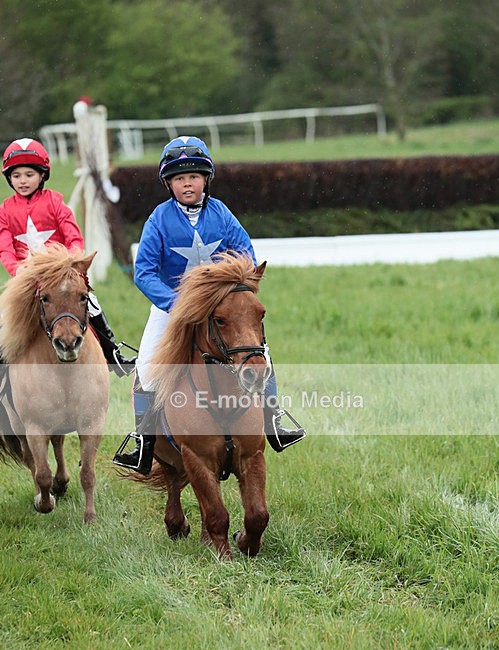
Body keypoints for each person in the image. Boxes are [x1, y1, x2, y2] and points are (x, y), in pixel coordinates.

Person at [113, 135, 305, 474]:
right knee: (145, 368)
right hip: (171, 308)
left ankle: (274, 419)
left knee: (262, 356)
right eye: (179, 178)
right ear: (168, 183)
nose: (187, 183)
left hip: (222, 308)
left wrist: (233, 292)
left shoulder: (222, 214)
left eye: (194, 177)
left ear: (206, 180)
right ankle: (143, 439)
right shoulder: (159, 219)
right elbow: (144, 272)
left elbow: (247, 256)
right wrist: (176, 304)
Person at [0, 138, 135, 375]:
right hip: (27, 282)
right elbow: (5, 250)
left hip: (62, 277)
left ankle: (112, 352)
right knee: (4, 321)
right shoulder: (5, 210)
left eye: (29, 174)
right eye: (17, 175)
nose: (23, 181)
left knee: (92, 304)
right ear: (9, 178)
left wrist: (72, 263)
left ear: (42, 175)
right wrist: (17, 271)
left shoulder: (55, 202)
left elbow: (73, 238)